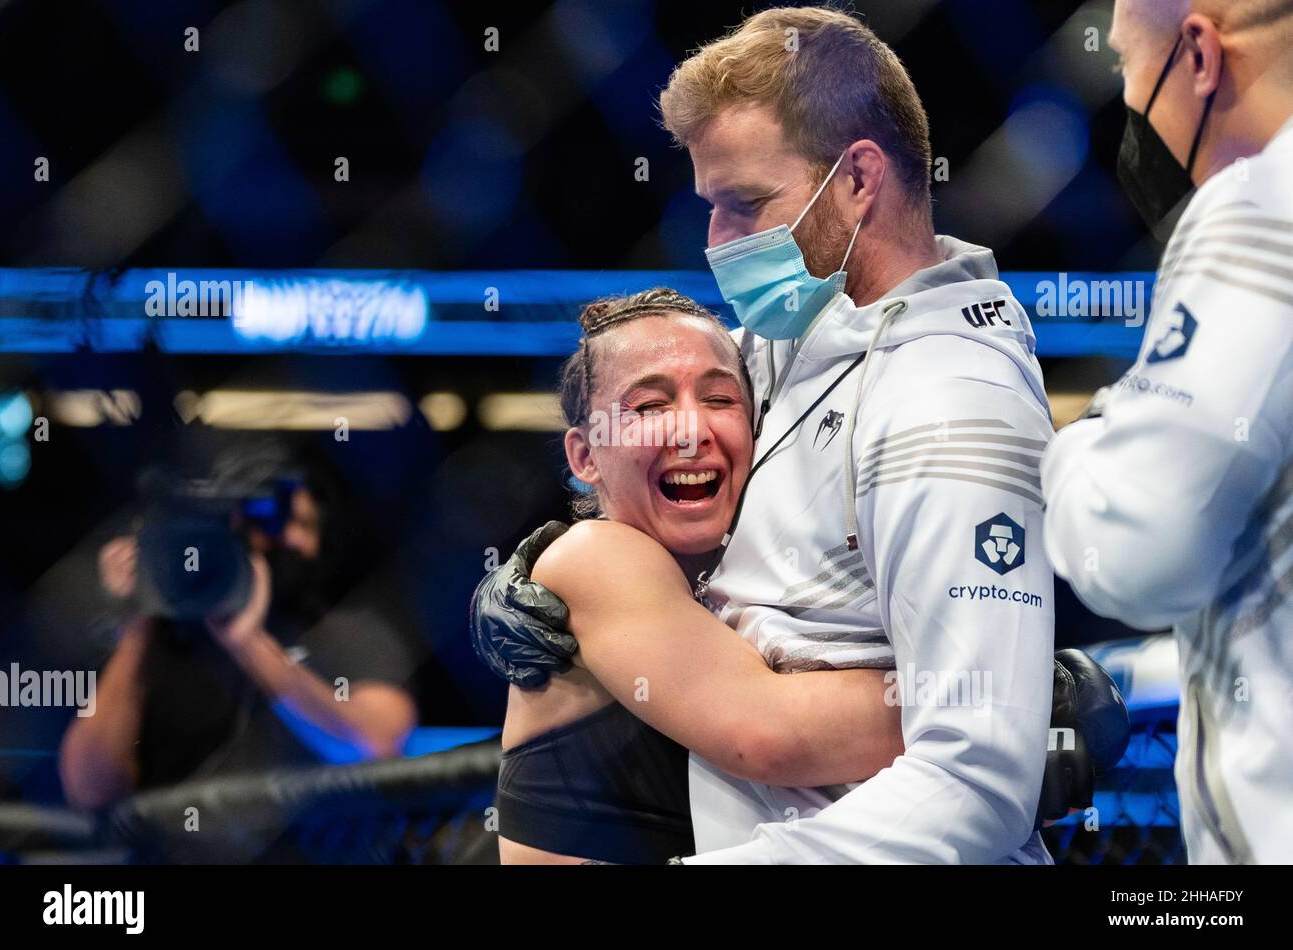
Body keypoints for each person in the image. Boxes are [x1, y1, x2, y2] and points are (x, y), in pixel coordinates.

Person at [475, 7, 1128, 864]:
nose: (718, 243)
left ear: (859, 181)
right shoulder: (808, 331)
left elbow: (975, 782)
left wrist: (1001, 700)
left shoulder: (945, 398)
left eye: (745, 204)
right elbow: (649, 400)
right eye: (711, 206)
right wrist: (548, 558)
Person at [491, 288, 905, 864]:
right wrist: (1006, 701)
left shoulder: (741, 578)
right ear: (586, 457)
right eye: (650, 407)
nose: (690, 430)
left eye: (718, 398)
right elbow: (766, 733)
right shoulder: (594, 556)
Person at [1041, 0, 1293, 863]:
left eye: (1124, 69)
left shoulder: (1261, 208)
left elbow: (1140, 553)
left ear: (1198, 56)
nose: (1128, 105)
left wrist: (1080, 445)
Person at [59, 469, 418, 808]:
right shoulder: (150, 646)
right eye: (253, 528)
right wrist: (143, 608)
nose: (285, 539)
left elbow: (374, 747)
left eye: (301, 524)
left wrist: (248, 642)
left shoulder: (349, 633)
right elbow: (90, 791)